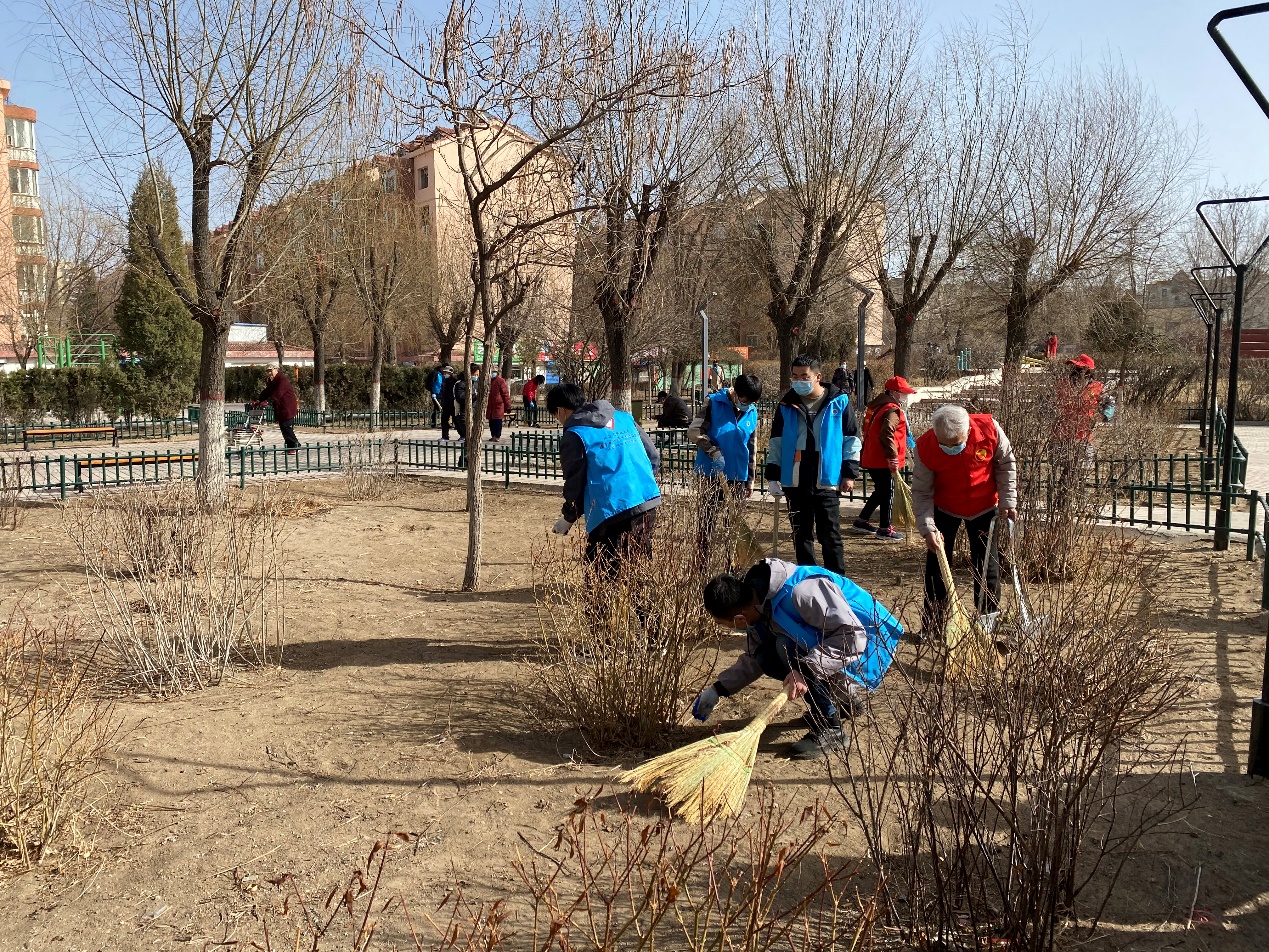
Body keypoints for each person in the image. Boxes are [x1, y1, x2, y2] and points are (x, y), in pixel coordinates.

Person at [693, 558, 903, 760]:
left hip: (872, 642)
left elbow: (853, 638)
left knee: (785, 645)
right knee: (767, 654)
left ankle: (831, 727)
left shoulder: (802, 592)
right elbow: (755, 658)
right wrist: (718, 689)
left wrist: (805, 670)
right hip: (834, 648)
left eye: (723, 624)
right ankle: (843, 701)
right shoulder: (758, 605)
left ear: (739, 618)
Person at [912, 404, 1018, 634]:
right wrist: (928, 528)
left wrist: (1008, 500)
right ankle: (932, 626)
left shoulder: (989, 429)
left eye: (956, 443)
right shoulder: (925, 446)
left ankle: (987, 623)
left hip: (984, 506)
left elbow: (1006, 464)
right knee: (937, 566)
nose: (950, 449)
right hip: (945, 508)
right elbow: (922, 491)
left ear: (968, 431)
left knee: (987, 564)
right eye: (945, 444)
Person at [548, 382, 662, 570]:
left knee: (603, 573)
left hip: (612, 510)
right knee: (638, 567)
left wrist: (568, 517)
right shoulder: (624, 418)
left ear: (561, 410)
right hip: (646, 501)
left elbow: (575, 484)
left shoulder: (575, 434)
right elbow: (653, 456)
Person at [764, 355, 861, 574]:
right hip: (796, 477)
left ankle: (837, 580)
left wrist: (849, 473)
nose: (799, 381)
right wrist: (773, 475)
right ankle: (809, 580)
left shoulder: (839, 401)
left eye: (804, 376)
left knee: (830, 534)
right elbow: (776, 442)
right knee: (801, 534)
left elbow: (851, 439)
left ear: (818, 377)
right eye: (795, 376)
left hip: (827, 477)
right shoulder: (786, 404)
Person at [689, 373, 763, 551]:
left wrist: (750, 479)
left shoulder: (752, 412)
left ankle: (732, 564)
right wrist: (713, 452)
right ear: (736, 393)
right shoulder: (714, 402)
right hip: (711, 474)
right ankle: (702, 562)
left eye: (751, 402)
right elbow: (694, 432)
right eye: (745, 400)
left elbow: (751, 447)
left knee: (733, 527)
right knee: (706, 525)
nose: (747, 405)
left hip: (738, 476)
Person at [854, 375, 917, 541]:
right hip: (882, 459)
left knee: (881, 491)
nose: (905, 396)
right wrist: (892, 456)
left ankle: (862, 520)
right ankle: (885, 528)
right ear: (893, 392)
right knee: (887, 492)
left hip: (872, 456)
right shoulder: (892, 409)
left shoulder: (876, 407)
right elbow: (886, 433)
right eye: (903, 392)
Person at [255, 366, 300, 452]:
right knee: (283, 427)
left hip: (287, 407)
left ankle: (295, 445)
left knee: (286, 426)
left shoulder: (282, 380)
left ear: (276, 370)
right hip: (280, 407)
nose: (269, 373)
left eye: (270, 371)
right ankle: (290, 446)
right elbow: (267, 391)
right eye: (267, 371)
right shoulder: (272, 381)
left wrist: (268, 401)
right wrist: (259, 400)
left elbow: (278, 393)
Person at [439, 365, 464, 441]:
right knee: (444, 420)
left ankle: (462, 435)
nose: (445, 374)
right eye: (444, 372)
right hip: (446, 403)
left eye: (446, 372)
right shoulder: (445, 380)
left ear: (450, 372)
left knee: (456, 420)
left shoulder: (455, 380)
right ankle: (445, 436)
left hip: (453, 403)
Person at [486, 369, 512, 441]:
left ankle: (497, 436)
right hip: (490, 405)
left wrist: (508, 406)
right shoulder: (487, 381)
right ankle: (493, 435)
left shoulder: (500, 381)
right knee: (491, 422)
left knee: (497, 421)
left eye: (494, 372)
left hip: (498, 405)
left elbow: (505, 394)